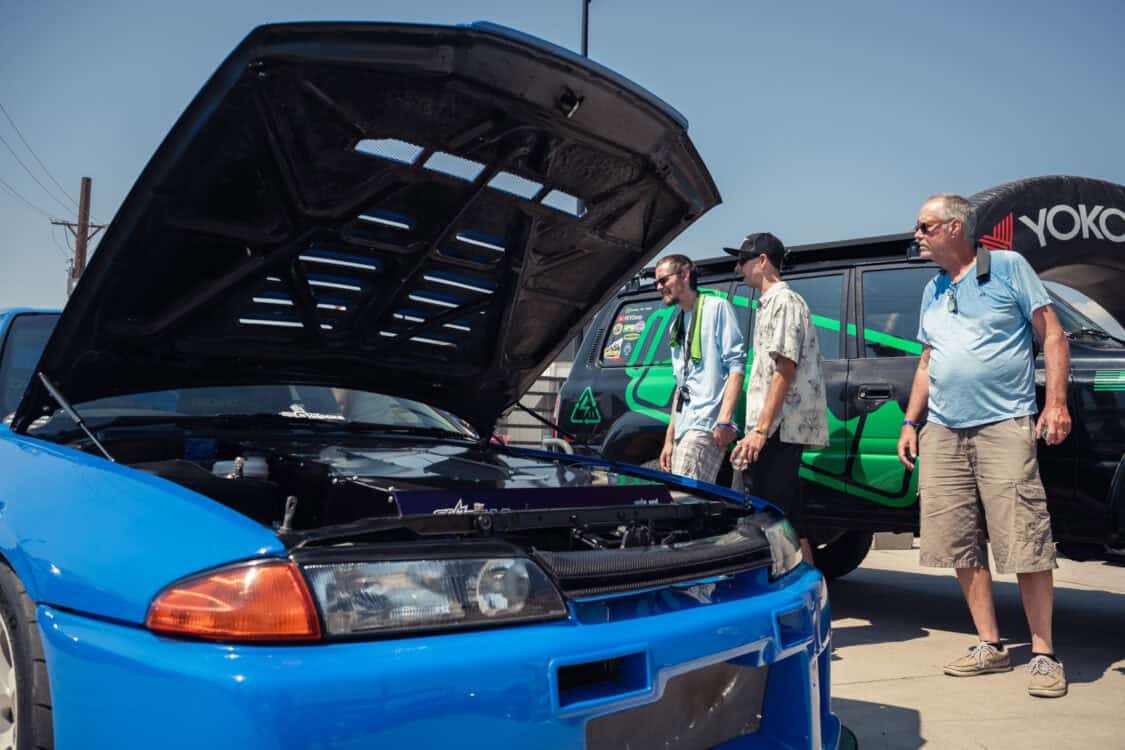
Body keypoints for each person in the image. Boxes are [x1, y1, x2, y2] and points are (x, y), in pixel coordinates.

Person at [896, 193, 1071, 698]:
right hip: (944, 430)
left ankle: (1043, 653)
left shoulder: (1010, 268)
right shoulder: (932, 289)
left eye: (925, 226)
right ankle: (990, 646)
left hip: (1003, 424)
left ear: (955, 227)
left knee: (1025, 538)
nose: (918, 234)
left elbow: (1053, 337)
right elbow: (928, 361)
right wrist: (912, 422)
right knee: (958, 540)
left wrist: (1054, 404)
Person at [727, 233, 827, 565]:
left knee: (762, 517)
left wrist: (759, 430)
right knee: (788, 520)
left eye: (743, 259)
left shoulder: (784, 301)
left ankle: (777, 591)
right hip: (774, 429)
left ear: (763, 260)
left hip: (777, 430)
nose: (738, 267)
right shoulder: (771, 303)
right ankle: (813, 595)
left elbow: (784, 368)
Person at [655, 254, 745, 483]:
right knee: (685, 500)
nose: (659, 287)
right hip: (684, 425)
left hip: (706, 424)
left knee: (686, 498)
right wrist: (669, 438)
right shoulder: (676, 324)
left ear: (684, 275)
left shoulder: (717, 308)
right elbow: (681, 386)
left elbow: (736, 367)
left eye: (663, 280)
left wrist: (724, 421)